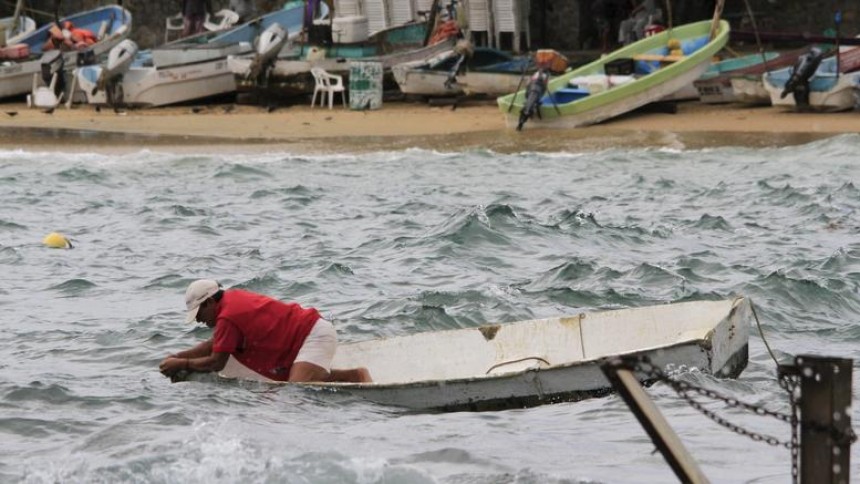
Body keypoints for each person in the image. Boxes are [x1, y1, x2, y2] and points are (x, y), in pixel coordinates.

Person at [159, 279, 372, 383]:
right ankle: (356, 376)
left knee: (296, 394)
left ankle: (358, 375)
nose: (198, 321)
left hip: (313, 334)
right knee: (300, 383)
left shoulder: (227, 316)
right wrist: (177, 356)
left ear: (208, 303)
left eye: (198, 314)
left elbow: (217, 361)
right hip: (308, 334)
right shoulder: (229, 302)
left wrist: (183, 363)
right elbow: (214, 344)